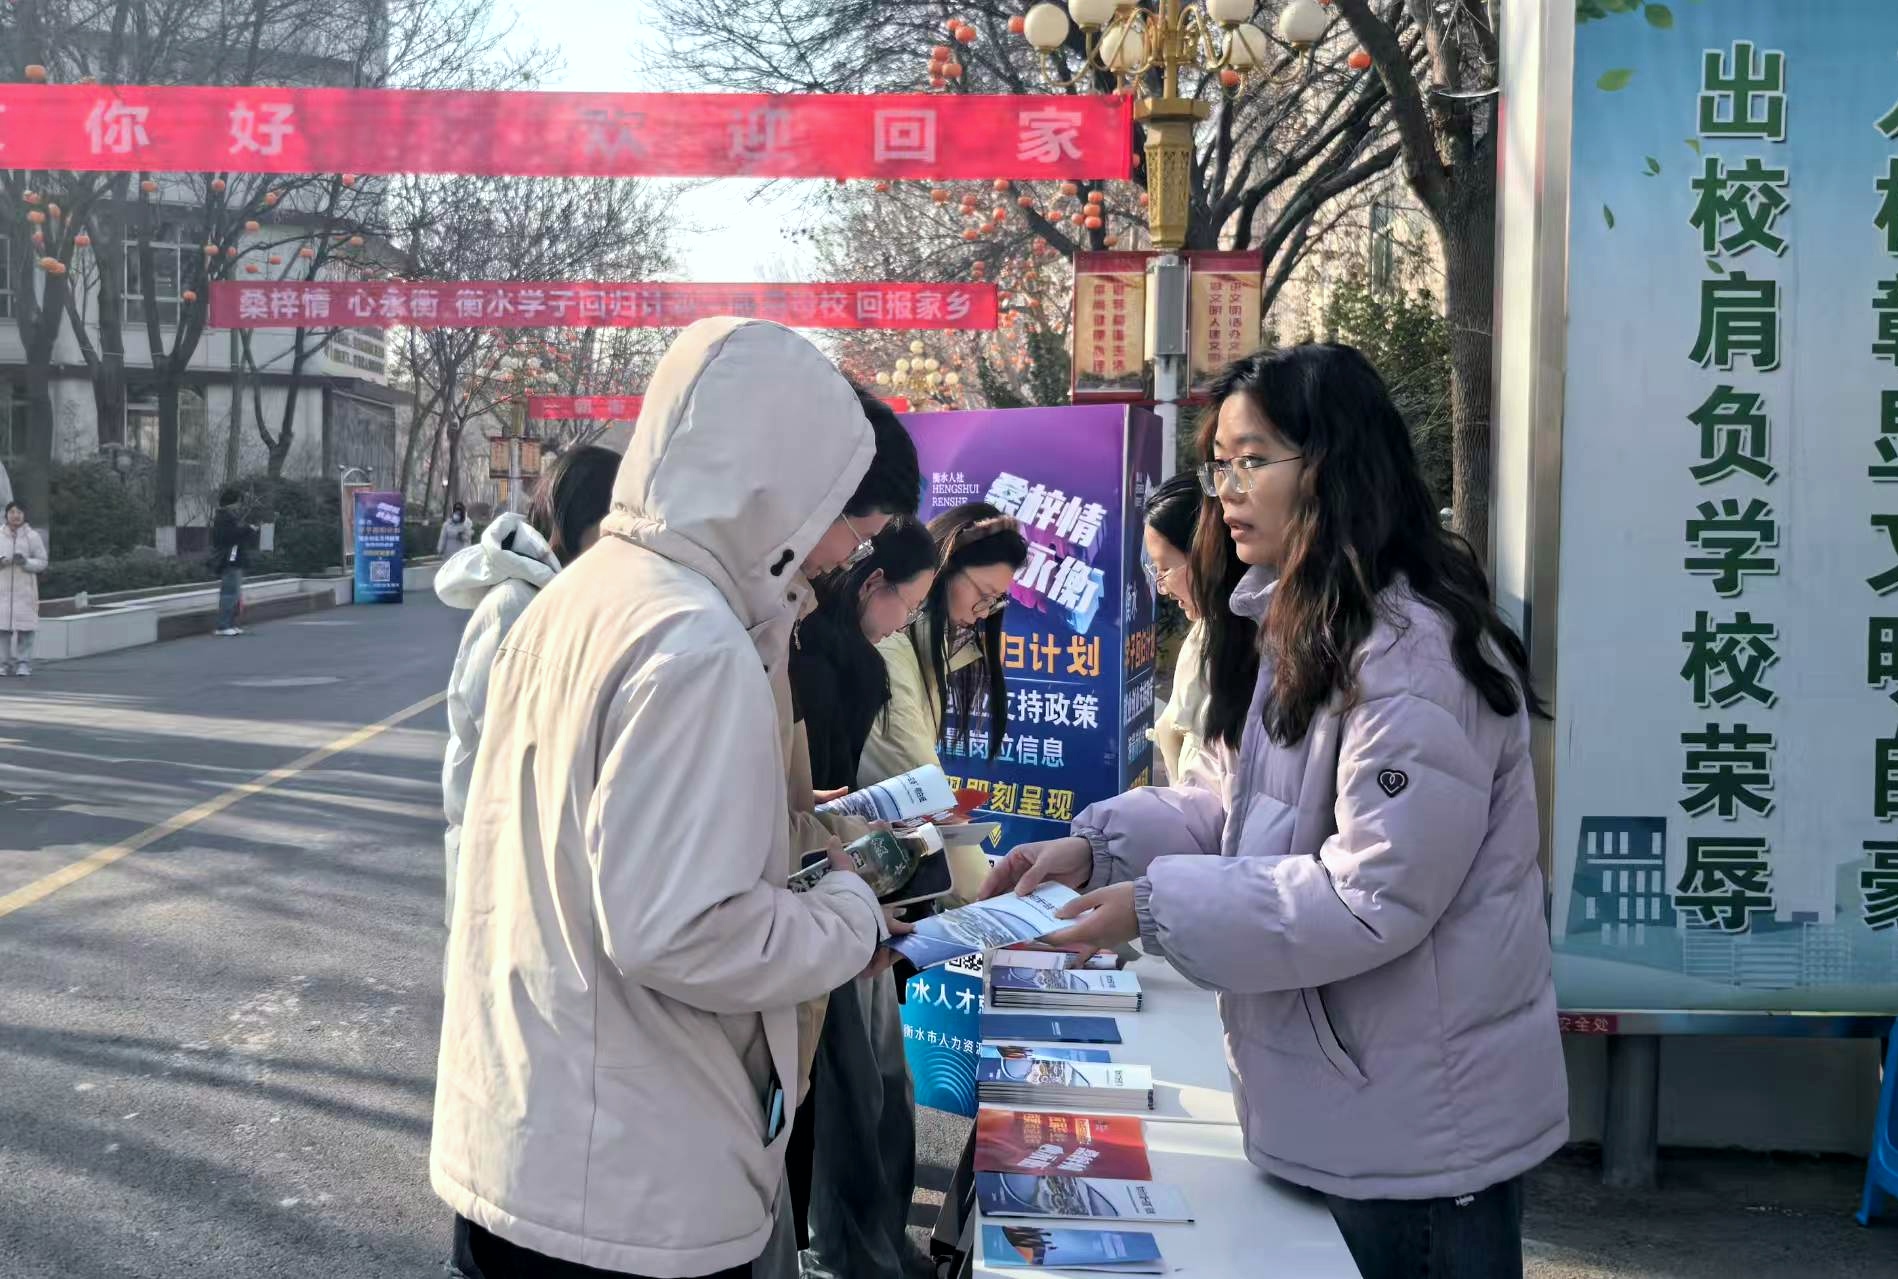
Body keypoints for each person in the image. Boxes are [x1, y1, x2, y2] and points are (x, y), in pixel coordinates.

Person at [982, 345, 1568, 1279]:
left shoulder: (1409, 660)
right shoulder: (1306, 623)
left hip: (1417, 1146)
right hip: (1349, 1112)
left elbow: (1371, 896)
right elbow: (1237, 805)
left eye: (1252, 460)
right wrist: (1097, 850)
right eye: (1221, 464)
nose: (1225, 492)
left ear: (1335, 465)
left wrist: (1153, 906)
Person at [431, 318, 917, 1279]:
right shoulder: (694, 642)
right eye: (845, 518)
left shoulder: (579, 597)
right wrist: (850, 912)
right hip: (631, 1183)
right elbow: (685, 930)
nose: (839, 553)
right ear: (780, 481)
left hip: (530, 1136)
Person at [785, 518, 937, 1279]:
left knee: (875, 1082)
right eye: (907, 606)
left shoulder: (847, 656)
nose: (906, 623)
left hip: (843, 884)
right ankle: (855, 1254)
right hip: (822, 899)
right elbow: (792, 803)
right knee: (851, 1089)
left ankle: (873, 1247)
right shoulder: (808, 657)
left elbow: (814, 794)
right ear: (872, 581)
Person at [435, 445, 618, 927]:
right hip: (499, 862)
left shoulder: (574, 598)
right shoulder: (513, 606)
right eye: (610, 527)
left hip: (541, 863)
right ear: (576, 518)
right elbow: (492, 753)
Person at [857, 503, 1030, 900]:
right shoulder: (892, 653)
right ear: (944, 568)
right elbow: (923, 800)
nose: (982, 613)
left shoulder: (926, 654)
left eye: (995, 601)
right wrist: (988, 903)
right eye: (982, 594)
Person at [1143, 473, 1222, 789]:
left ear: (1207, 551)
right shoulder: (1204, 634)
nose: (1161, 588)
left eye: (1165, 569)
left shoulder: (1254, 650)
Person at [3, 500, 48, 677]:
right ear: (6, 515)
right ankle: (3, 664)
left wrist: (25, 562)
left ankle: (23, 663)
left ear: (24, 515)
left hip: (25, 591)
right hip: (2, 592)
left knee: (26, 629)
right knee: (2, 630)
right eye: (12, 512)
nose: (16, 516)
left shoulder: (32, 536)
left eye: (19, 512)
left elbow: (42, 562)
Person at [210, 487, 257, 637]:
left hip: (234, 558)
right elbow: (228, 536)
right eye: (238, 502)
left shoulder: (228, 516)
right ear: (232, 502)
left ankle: (230, 624)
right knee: (229, 593)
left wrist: (247, 530)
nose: (239, 506)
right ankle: (223, 625)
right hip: (230, 559)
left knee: (235, 594)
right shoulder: (224, 517)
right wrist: (248, 529)